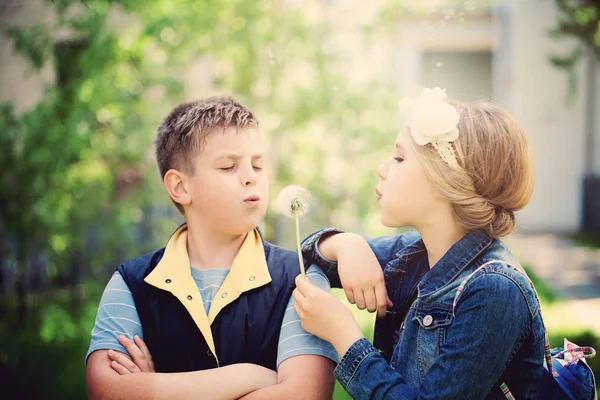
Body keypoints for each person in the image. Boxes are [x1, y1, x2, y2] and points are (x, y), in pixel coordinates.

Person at [293, 88, 545, 399]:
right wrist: (346, 244)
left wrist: (343, 335)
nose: (382, 168)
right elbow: (302, 255)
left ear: (444, 180)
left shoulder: (495, 290)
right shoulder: (413, 253)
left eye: (399, 157)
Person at [86, 96, 338, 400]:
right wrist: (249, 376)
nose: (251, 178)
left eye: (258, 165)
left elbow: (304, 395)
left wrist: (153, 391)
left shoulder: (301, 278)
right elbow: (106, 392)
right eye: (228, 166)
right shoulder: (130, 283)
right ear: (180, 187)